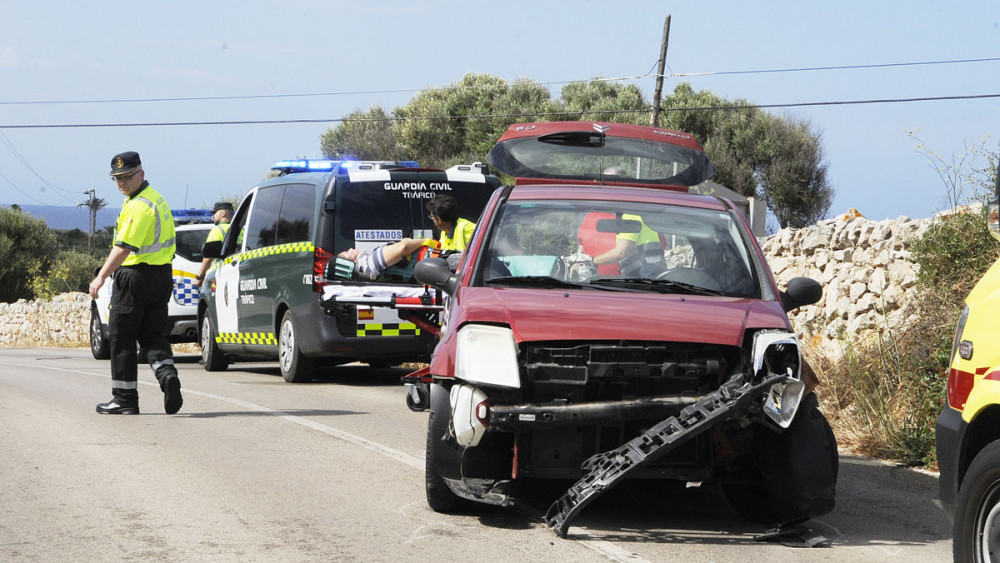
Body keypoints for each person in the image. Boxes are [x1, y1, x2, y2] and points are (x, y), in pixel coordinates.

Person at [88, 151, 183, 415]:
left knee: (121, 339)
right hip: (161, 276)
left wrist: (101, 276)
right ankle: (166, 375)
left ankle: (125, 399)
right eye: (117, 178)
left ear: (141, 173)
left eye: (127, 176)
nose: (122, 183)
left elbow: (123, 248)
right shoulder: (157, 200)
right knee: (152, 335)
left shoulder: (139, 205)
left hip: (134, 279)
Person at [337, 238, 431, 281]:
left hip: (429, 269)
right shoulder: (369, 264)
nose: (350, 249)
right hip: (432, 263)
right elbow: (403, 247)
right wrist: (423, 241)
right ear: (353, 262)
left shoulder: (368, 268)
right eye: (347, 253)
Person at [193, 201, 233, 289]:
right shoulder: (241, 229)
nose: (213, 216)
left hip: (220, 275)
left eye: (215, 213)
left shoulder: (218, 230)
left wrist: (199, 277)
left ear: (223, 213)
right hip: (235, 273)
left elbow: (208, 257)